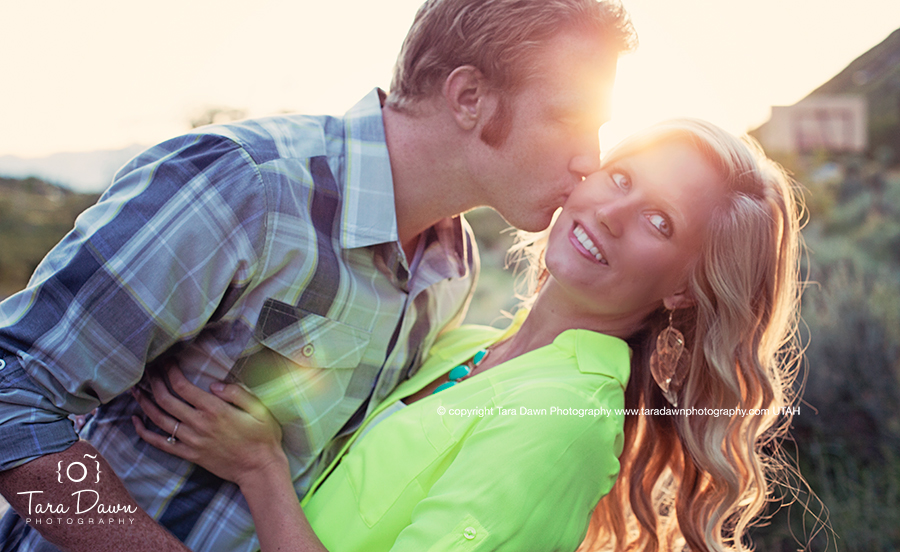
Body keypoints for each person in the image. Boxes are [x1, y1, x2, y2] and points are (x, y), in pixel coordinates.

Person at [0, 0, 636, 552]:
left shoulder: (452, 268)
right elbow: (12, 394)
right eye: (569, 117)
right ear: (469, 97)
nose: (590, 157)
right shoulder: (244, 185)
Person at [132, 119, 805, 552]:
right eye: (621, 178)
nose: (613, 212)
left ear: (685, 288)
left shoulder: (564, 418)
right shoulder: (464, 346)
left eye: (661, 222)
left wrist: (261, 471)